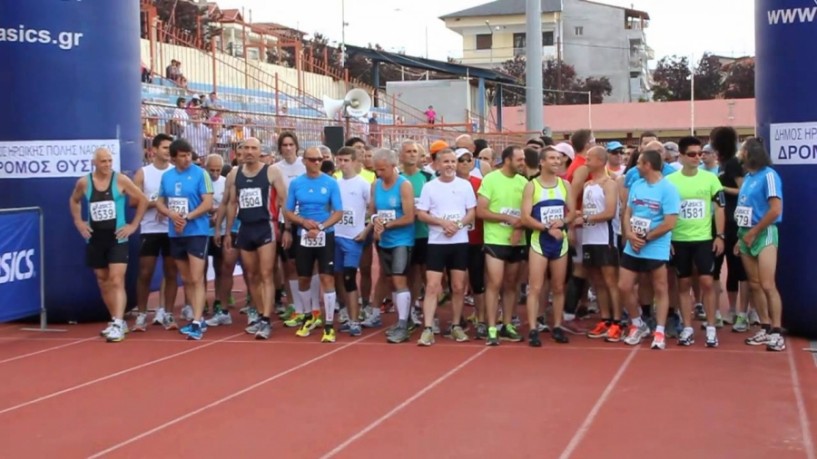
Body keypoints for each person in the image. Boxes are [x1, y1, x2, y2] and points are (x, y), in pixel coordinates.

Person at [69, 148, 148, 342]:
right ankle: (115, 320)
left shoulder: (120, 180)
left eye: (109, 161)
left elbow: (142, 200)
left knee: (116, 280)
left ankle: (118, 322)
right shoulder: (84, 182)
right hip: (95, 238)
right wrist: (79, 222)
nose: (107, 165)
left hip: (117, 238)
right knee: (103, 280)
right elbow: (74, 200)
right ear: (94, 162)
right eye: (103, 161)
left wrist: (133, 225)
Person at [224, 137, 289, 340]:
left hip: (266, 226)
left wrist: (286, 228)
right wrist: (227, 231)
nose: (250, 151)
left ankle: (267, 319)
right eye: (247, 148)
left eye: (254, 148)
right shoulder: (235, 174)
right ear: (240, 151)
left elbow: (284, 199)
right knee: (251, 275)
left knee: (266, 273)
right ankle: (260, 314)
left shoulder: (271, 171)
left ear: (260, 151)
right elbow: (232, 203)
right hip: (245, 228)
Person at [666, 137, 725, 347]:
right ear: (681, 156)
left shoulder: (710, 179)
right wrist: (668, 238)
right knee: (683, 283)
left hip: (703, 238)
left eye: (700, 154)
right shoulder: (671, 181)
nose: (697, 158)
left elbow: (719, 207)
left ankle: (710, 327)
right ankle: (687, 327)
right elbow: (667, 211)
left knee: (707, 282)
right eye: (692, 154)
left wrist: (720, 235)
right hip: (679, 239)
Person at [618, 149, 680, 350]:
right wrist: (628, 234)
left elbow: (670, 222)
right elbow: (627, 212)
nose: (636, 166)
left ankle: (660, 330)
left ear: (648, 165)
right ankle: (638, 324)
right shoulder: (636, 184)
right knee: (624, 286)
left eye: (639, 163)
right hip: (633, 243)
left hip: (655, 245)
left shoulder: (668, 189)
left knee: (660, 287)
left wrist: (646, 238)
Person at [415, 148, 476, 345]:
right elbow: (422, 213)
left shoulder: (465, 185)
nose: (450, 165)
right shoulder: (430, 187)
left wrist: (457, 225)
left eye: (453, 161)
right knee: (433, 286)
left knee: (458, 286)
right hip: (436, 242)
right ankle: (428, 328)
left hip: (459, 241)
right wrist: (442, 223)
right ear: (438, 165)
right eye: (446, 162)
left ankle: (456, 325)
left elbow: (471, 212)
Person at [155, 139, 214, 340]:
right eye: (182, 155)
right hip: (176, 233)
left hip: (197, 231)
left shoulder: (201, 174)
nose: (187, 158)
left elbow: (207, 203)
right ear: (173, 158)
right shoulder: (167, 177)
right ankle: (198, 317)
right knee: (187, 278)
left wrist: (187, 217)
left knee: (197, 278)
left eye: (189, 154)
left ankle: (197, 321)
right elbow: (160, 202)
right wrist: (171, 214)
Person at [283, 147, 344, 343]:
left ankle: (328, 325)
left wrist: (321, 227)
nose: (317, 162)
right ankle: (308, 317)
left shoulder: (330, 183)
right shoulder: (296, 183)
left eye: (320, 159)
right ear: (305, 161)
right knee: (303, 278)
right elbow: (288, 211)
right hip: (304, 236)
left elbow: (338, 211)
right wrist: (302, 222)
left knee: (327, 277)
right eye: (313, 159)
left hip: (324, 234)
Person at [736, 138, 785, 352]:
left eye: (742, 149)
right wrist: (742, 237)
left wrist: (754, 232)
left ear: (750, 152)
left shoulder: (769, 175)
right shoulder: (748, 177)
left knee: (767, 284)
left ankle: (776, 330)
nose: (739, 152)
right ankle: (764, 325)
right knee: (754, 283)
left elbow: (775, 209)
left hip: (763, 232)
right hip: (745, 232)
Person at [520, 147, 573, 346]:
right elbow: (525, 217)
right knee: (535, 286)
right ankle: (533, 328)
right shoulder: (532, 186)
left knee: (559, 286)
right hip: (540, 241)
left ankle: (557, 326)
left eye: (559, 158)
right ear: (542, 162)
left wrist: (564, 223)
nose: (556, 161)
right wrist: (545, 228)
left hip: (560, 241)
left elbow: (571, 212)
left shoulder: (565, 184)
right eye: (552, 158)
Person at [477, 145, 528, 345]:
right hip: (495, 240)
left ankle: (507, 324)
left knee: (511, 284)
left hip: (518, 240)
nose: (523, 163)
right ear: (507, 160)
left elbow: (527, 212)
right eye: (519, 159)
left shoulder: (524, 182)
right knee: (494, 283)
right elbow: (481, 211)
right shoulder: (490, 180)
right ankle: (491, 326)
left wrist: (518, 228)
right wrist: (506, 217)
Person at [131, 133, 180, 332]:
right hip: (150, 228)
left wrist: (167, 207)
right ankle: (142, 314)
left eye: (171, 148)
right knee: (145, 272)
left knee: (171, 272)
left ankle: (167, 313)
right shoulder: (143, 173)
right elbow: (134, 202)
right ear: (154, 150)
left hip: (171, 229)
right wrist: (156, 205)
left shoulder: (176, 172)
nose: (168, 152)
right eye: (165, 148)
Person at [369, 148, 416, 343]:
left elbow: (409, 216)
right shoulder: (375, 185)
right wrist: (375, 221)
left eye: (382, 169)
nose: (379, 174)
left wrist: (388, 224)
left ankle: (403, 324)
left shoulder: (404, 186)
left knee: (399, 279)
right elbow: (372, 211)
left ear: (393, 166)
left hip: (402, 240)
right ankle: (403, 320)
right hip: (384, 240)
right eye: (376, 170)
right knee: (390, 280)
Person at [578, 147, 623, 343]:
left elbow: (610, 212)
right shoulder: (588, 184)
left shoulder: (609, 184)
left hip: (605, 239)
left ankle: (618, 322)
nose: (586, 161)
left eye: (589, 158)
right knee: (597, 281)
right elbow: (585, 211)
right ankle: (605, 319)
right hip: (589, 238)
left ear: (599, 160)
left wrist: (586, 217)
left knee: (611, 281)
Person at [333, 146, 371, 337]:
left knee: (349, 277)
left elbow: (374, 210)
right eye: (339, 160)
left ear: (356, 162)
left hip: (353, 238)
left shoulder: (363, 184)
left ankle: (356, 320)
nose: (342, 164)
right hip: (336, 236)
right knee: (338, 277)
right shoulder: (335, 183)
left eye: (346, 160)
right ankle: (348, 315)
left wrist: (366, 231)